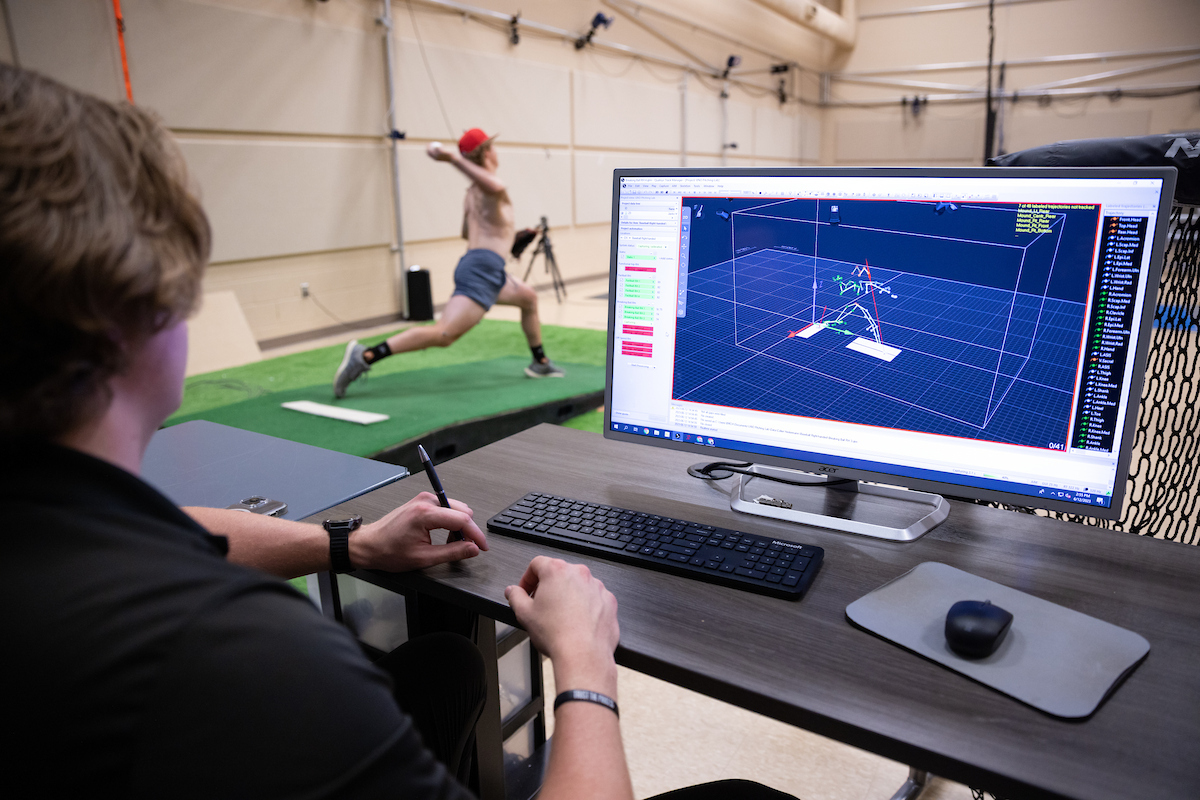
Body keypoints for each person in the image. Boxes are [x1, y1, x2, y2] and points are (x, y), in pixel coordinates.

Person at [0, 64, 796, 800]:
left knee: (445, 666)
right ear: (136, 317)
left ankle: (529, 356)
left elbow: (176, 531)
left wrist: (347, 545)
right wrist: (585, 666)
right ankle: (378, 349)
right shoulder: (239, 656)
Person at [333, 128, 563, 398]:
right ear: (488, 151)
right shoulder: (491, 187)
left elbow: (468, 233)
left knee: (528, 297)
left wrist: (511, 237)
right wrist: (452, 159)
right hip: (482, 271)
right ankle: (366, 355)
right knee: (444, 334)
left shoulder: (472, 193)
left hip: (483, 266)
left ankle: (540, 362)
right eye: (494, 148)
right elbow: (496, 188)